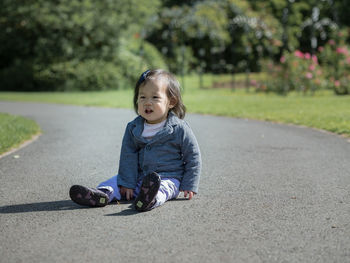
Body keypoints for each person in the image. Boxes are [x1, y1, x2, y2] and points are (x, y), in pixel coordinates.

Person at [69, 69, 201, 212]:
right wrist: (127, 182)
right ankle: (101, 194)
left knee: (165, 189)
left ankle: (151, 199)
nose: (147, 103)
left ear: (171, 102)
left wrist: (189, 184)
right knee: (116, 181)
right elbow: (128, 156)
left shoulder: (179, 128)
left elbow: (193, 156)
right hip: (137, 177)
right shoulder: (134, 128)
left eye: (155, 97)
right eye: (142, 97)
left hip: (170, 177)